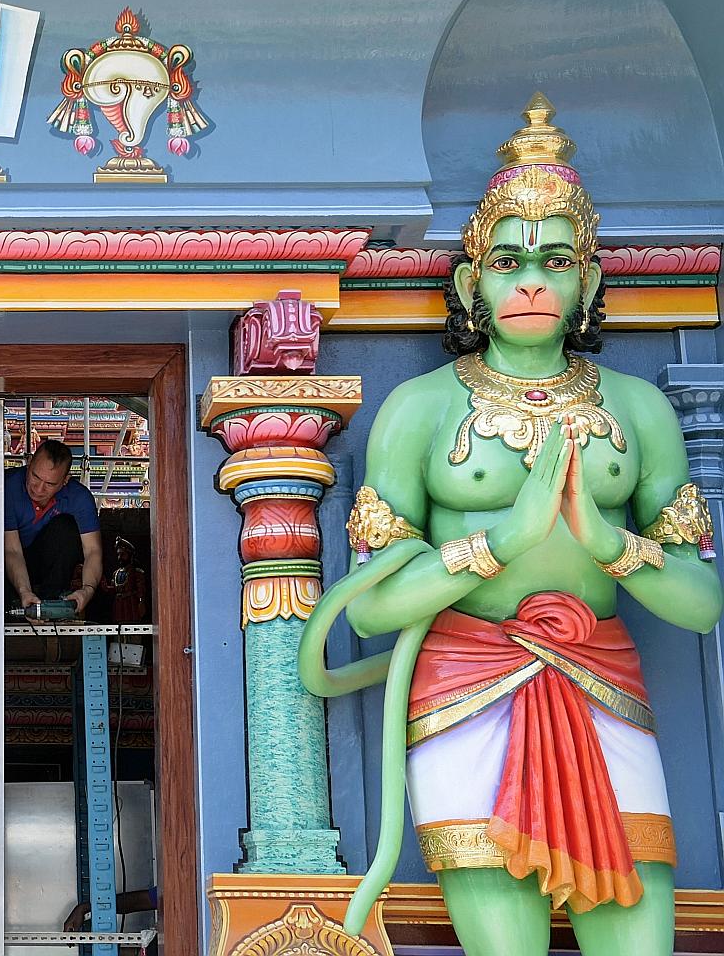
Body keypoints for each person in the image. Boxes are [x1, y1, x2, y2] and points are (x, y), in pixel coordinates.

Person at [300, 94, 723, 955]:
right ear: (471, 283)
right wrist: (501, 541)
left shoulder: (639, 412)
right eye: (507, 261)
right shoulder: (421, 410)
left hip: (603, 676)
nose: (531, 279)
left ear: (588, 281)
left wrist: (609, 545)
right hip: (466, 687)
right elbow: (374, 611)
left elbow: (702, 603)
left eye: (557, 259)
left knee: (638, 933)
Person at [4, 438, 102, 614]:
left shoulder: (79, 497)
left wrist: (87, 590)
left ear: (65, 481)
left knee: (66, 527)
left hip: (47, 566)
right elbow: (12, 550)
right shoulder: (7, 487)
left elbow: (93, 550)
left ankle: (52, 605)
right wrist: (24, 592)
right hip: (6, 565)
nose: (38, 489)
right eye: (35, 476)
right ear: (29, 462)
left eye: (50, 484)